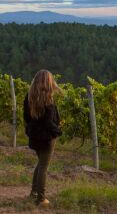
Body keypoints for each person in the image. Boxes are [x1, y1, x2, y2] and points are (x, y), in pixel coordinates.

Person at [23, 70, 62, 207]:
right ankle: (41, 198)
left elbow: (26, 119)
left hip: (34, 137)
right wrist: (58, 131)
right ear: (48, 82)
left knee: (40, 164)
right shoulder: (48, 101)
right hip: (47, 139)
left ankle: (34, 192)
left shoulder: (29, 97)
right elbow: (49, 123)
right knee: (43, 167)